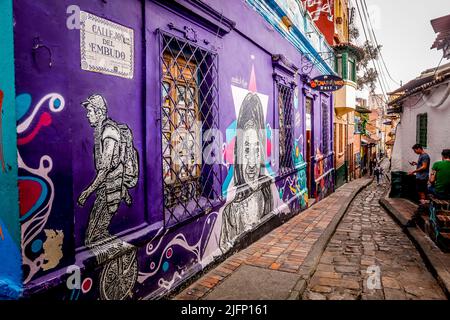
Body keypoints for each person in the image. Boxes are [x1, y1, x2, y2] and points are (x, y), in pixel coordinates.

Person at [220, 92, 273, 251]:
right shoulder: (230, 213)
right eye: (246, 150)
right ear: (237, 154)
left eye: (257, 151)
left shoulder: (266, 194)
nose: (251, 164)